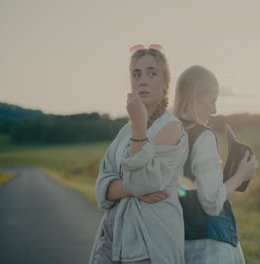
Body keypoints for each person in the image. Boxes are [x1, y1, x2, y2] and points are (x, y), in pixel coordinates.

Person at [89, 44, 188, 264]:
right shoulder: (125, 131)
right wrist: (132, 190)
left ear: (165, 83)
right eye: (136, 74)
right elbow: (101, 186)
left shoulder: (170, 127)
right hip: (113, 237)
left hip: (151, 242)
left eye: (152, 73)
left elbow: (142, 183)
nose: (142, 80)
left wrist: (140, 126)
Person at [173, 65, 257, 263]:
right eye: (212, 100)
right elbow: (211, 203)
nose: (214, 109)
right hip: (208, 246)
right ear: (195, 96)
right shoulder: (203, 136)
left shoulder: (165, 132)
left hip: (175, 241)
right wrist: (240, 176)